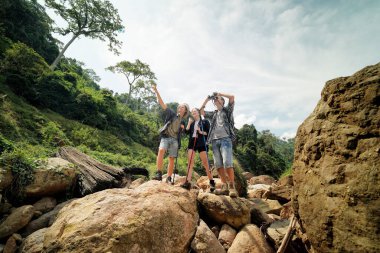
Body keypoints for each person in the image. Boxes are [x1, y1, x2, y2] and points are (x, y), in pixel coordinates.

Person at [200, 92, 237, 197]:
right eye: (215, 99)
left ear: (222, 101)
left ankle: (232, 187)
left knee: (227, 163)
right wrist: (207, 99)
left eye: (218, 99)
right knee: (218, 165)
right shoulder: (213, 114)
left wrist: (219, 93)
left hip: (226, 140)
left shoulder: (227, 111)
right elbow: (201, 111)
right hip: (215, 141)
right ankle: (224, 186)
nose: (216, 99)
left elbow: (232, 97)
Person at [151, 84, 189, 182]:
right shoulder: (172, 114)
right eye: (179, 107)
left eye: (182, 107)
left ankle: (168, 177)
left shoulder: (183, 121)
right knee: (161, 151)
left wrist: (183, 128)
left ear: (185, 111)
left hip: (175, 140)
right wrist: (156, 91)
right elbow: (162, 103)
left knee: (171, 158)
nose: (180, 108)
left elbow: (184, 131)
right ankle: (158, 173)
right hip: (166, 137)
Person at [180, 108, 216, 191]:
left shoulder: (205, 122)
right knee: (190, 163)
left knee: (205, 163)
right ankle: (187, 182)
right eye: (192, 112)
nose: (194, 113)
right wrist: (189, 123)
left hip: (202, 142)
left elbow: (208, 133)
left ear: (198, 113)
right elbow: (186, 132)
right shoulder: (192, 123)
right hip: (192, 142)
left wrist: (200, 131)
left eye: (195, 112)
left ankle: (212, 181)